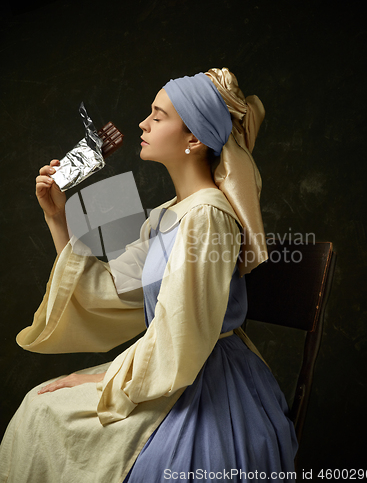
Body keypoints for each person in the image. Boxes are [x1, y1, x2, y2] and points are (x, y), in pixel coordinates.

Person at [0, 68, 298, 482]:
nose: (143, 123)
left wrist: (103, 378)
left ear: (194, 139)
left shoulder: (208, 217)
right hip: (169, 363)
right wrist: (58, 216)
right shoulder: (167, 215)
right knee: (39, 408)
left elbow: (183, 337)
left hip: (207, 383)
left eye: (158, 116)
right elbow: (107, 289)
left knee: (43, 412)